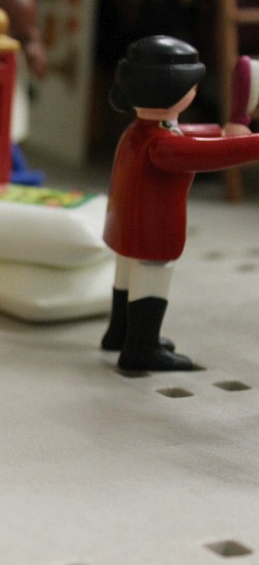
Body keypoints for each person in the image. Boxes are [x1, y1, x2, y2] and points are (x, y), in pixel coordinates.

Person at [101, 35, 259, 371]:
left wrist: (224, 131)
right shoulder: (161, 144)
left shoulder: (140, 131)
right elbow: (201, 153)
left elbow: (186, 134)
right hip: (152, 229)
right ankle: (142, 348)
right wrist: (252, 144)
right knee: (152, 276)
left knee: (126, 272)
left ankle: (121, 332)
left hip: (125, 223)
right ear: (173, 90)